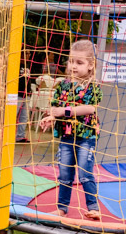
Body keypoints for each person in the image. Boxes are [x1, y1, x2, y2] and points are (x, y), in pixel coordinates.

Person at [39, 39, 102, 220]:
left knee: (84, 173)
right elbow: (55, 106)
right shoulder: (63, 85)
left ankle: (93, 208)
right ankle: (62, 208)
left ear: (90, 66)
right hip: (67, 136)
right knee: (65, 174)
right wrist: (51, 117)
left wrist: (64, 112)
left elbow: (89, 108)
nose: (73, 66)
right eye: (71, 61)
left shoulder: (93, 86)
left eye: (79, 63)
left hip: (86, 137)